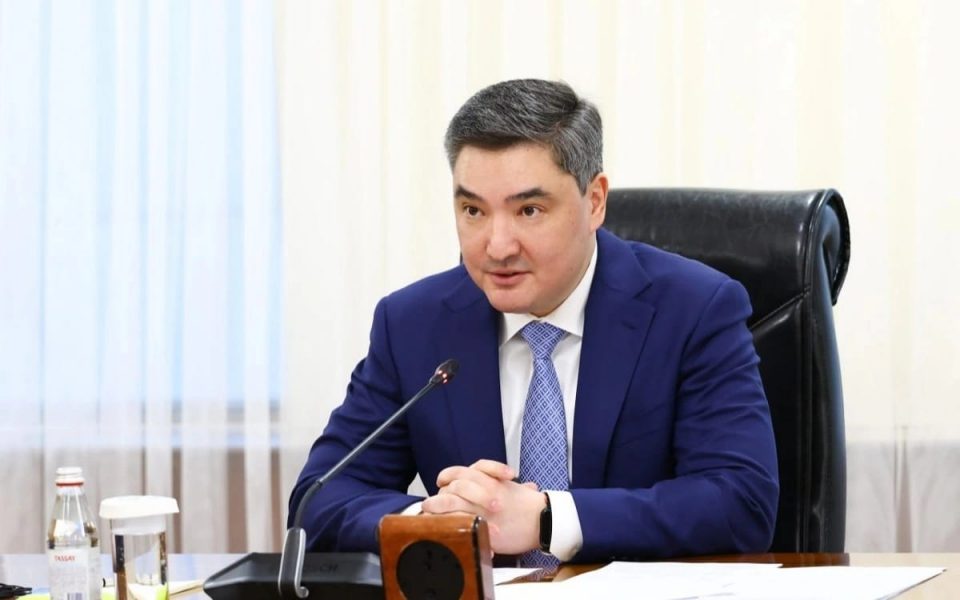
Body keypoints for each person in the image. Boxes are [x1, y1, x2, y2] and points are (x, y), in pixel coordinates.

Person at [289, 79, 779, 564]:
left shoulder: (694, 309)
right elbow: (318, 501)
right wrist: (434, 521)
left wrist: (548, 519)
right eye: (473, 210)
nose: (497, 246)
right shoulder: (413, 324)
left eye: (529, 210)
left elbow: (741, 502)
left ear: (594, 201)